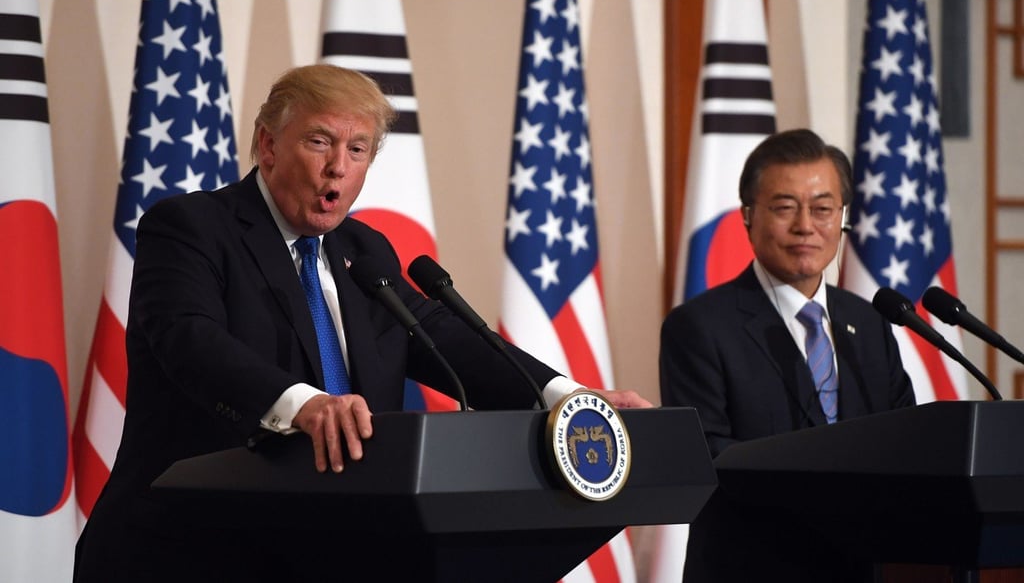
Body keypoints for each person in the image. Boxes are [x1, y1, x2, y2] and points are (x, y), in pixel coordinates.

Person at [73, 64, 651, 583]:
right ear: (268, 145)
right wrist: (303, 404)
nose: (338, 167)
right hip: (188, 552)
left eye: (358, 150)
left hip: (331, 553)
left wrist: (568, 401)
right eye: (319, 141)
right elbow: (189, 339)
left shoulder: (363, 251)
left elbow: (441, 335)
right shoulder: (192, 227)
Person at [660, 128, 916, 583]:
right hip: (754, 568)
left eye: (822, 209)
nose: (805, 226)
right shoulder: (699, 326)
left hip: (865, 567)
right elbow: (708, 456)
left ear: (842, 217)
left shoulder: (870, 322)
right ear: (748, 216)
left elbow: (906, 436)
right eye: (784, 208)